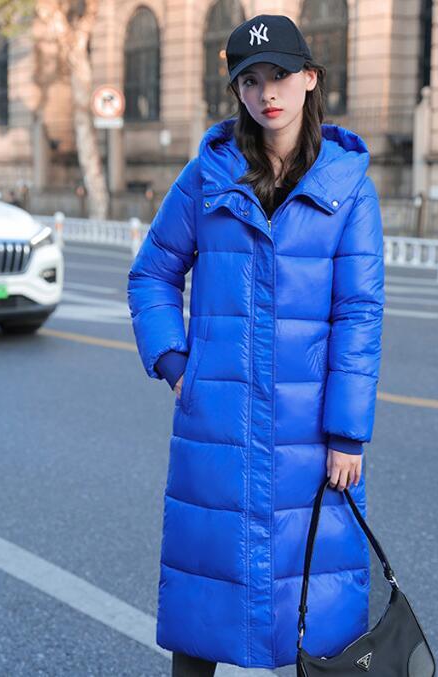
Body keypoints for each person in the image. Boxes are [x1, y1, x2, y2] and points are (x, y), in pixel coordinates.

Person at [127, 13, 385, 677]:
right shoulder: (207, 176)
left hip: (311, 429)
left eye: (280, 75)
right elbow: (153, 272)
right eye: (250, 80)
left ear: (310, 79)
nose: (267, 92)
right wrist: (176, 363)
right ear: (236, 91)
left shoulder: (347, 187)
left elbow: (359, 312)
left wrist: (348, 432)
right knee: (205, 588)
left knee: (318, 605)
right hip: (218, 420)